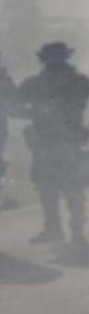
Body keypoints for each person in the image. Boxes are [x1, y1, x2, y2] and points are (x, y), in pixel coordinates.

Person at [15, 42, 89, 244]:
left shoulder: (75, 82)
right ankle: (65, 231)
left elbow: (18, 106)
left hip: (61, 141)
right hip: (51, 141)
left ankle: (69, 231)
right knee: (54, 189)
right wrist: (37, 113)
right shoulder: (78, 81)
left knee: (64, 188)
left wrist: (38, 111)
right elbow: (16, 106)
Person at [0, 51, 18, 210]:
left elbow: (14, 102)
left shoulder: (3, 78)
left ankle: (5, 196)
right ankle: (5, 197)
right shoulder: (4, 78)